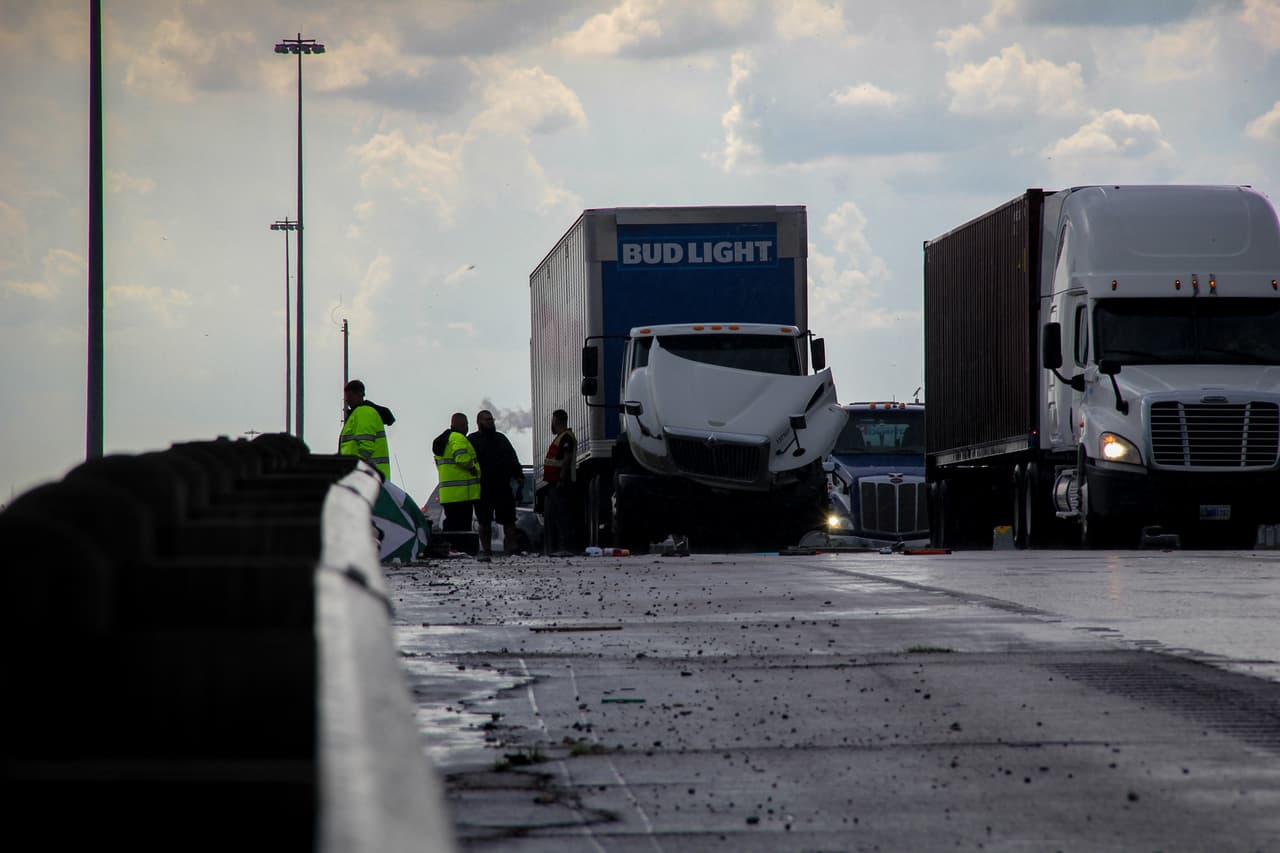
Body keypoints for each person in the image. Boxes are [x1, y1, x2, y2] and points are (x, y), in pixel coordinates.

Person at [468, 409, 525, 557]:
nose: (490, 422)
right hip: (483, 488)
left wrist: (519, 476)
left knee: (509, 521)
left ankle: (511, 549)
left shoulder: (501, 439)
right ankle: (486, 550)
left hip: (502, 487)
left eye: (491, 419)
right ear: (479, 422)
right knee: (484, 522)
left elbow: (513, 458)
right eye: (487, 420)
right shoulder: (472, 440)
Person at [432, 412, 481, 534]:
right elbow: (460, 457)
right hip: (462, 493)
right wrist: (472, 468)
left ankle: (453, 550)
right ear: (462, 424)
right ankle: (461, 549)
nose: (467, 427)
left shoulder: (444, 441)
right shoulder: (458, 438)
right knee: (463, 528)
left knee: (452, 526)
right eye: (466, 424)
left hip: (448, 494)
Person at [339, 379, 395, 481]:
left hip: (368, 476)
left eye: (350, 397)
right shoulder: (358, 413)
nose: (347, 401)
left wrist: (357, 468)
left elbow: (366, 445)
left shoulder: (364, 412)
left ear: (359, 394)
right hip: (370, 475)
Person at [541, 408, 578, 556]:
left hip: (561, 482)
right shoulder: (561, 436)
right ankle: (561, 547)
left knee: (563, 516)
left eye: (552, 420)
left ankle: (565, 547)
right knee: (558, 515)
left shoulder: (566, 437)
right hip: (556, 482)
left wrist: (561, 479)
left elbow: (567, 459)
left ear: (556, 420)